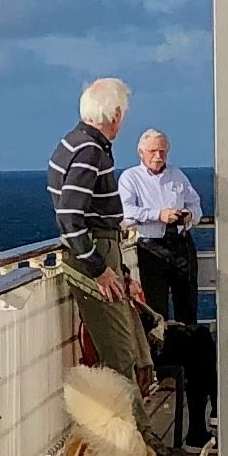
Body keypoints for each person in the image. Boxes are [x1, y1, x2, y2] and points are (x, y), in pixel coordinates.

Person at [121, 130, 215, 451]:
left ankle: (191, 373)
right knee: (158, 312)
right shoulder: (131, 179)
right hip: (151, 248)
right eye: (152, 151)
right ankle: (165, 368)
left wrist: (187, 216)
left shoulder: (177, 176)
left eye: (162, 151)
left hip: (180, 245)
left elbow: (197, 206)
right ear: (140, 152)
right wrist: (158, 215)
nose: (158, 156)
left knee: (189, 312)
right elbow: (127, 215)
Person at [46, 79, 134, 295]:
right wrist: (99, 268)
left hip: (98, 250)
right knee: (118, 329)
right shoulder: (89, 151)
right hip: (98, 249)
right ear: (115, 115)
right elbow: (69, 216)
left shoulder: (71, 142)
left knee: (130, 326)